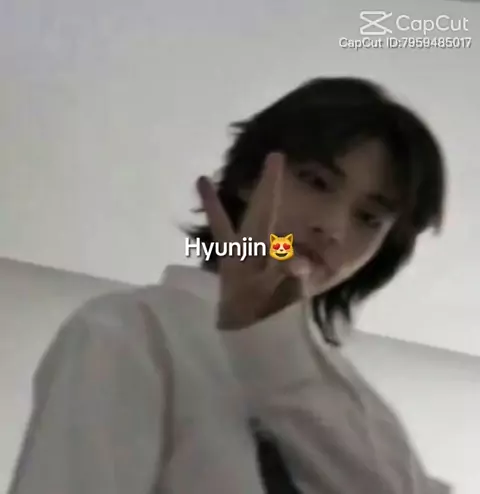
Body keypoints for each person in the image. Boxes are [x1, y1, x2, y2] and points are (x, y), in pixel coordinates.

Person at [8, 77, 448, 493]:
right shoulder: (131, 329)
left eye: (368, 217)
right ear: (249, 179)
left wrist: (278, 350)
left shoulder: (355, 408)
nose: (332, 228)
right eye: (315, 181)